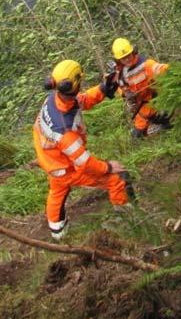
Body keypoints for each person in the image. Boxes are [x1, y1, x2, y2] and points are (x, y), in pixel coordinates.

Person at [32, 59, 128, 240]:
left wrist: (102, 89)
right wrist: (107, 167)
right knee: (117, 179)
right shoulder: (65, 130)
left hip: (52, 159)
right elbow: (84, 163)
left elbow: (81, 101)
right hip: (65, 166)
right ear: (75, 83)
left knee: (58, 189)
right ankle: (126, 219)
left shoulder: (55, 99)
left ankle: (57, 230)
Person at [108, 37, 170, 139]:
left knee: (166, 124)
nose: (127, 59)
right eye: (124, 58)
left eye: (128, 55)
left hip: (156, 104)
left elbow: (159, 68)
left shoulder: (145, 64)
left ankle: (163, 125)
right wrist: (125, 93)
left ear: (133, 52)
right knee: (136, 137)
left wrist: (172, 69)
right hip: (140, 110)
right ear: (118, 59)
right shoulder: (118, 72)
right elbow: (118, 86)